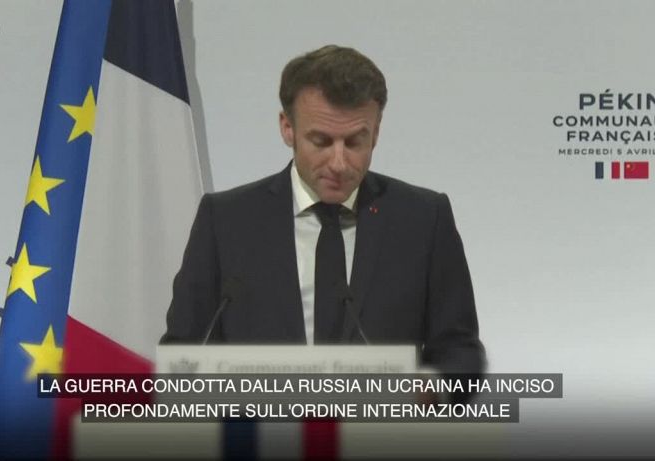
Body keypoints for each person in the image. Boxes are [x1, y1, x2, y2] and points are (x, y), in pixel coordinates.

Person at [161, 45, 485, 376]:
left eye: (354, 142)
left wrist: (431, 388)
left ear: (375, 132)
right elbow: (182, 352)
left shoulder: (423, 220)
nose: (339, 163)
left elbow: (461, 351)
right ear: (287, 128)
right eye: (321, 142)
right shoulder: (226, 221)